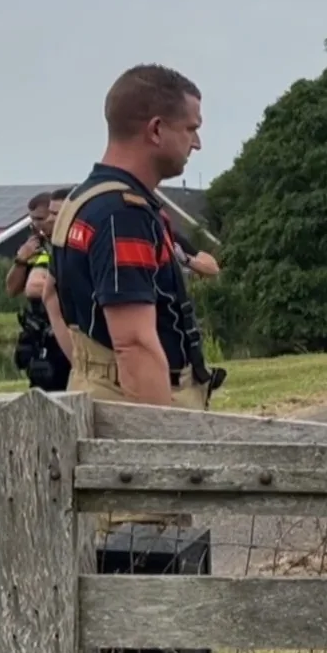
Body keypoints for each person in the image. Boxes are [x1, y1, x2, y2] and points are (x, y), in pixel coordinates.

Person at [49, 64, 216, 410]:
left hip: (95, 390)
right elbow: (135, 343)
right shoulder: (124, 214)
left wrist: (90, 371)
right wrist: (157, 443)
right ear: (156, 130)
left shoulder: (81, 201)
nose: (197, 143)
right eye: (190, 128)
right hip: (140, 402)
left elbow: (51, 295)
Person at [9, 190, 72, 392]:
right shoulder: (34, 248)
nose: (37, 224)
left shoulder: (63, 246)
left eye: (41, 218)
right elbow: (12, 289)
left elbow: (34, 288)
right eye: (32, 219)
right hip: (40, 334)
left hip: (63, 329)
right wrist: (21, 259)